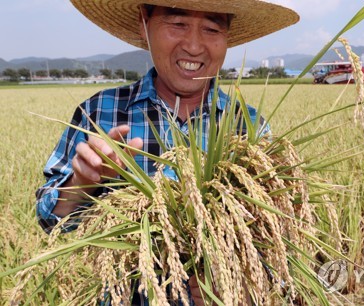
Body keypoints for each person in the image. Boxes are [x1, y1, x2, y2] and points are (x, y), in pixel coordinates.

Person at [36, 0, 299, 305]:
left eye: (211, 28)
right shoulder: (100, 112)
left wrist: (233, 279)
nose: (194, 45)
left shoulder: (248, 128)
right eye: (177, 23)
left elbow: (278, 238)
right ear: (143, 24)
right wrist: (82, 183)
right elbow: (50, 220)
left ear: (227, 37)